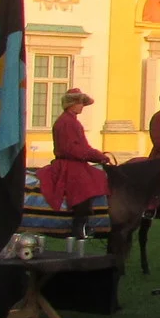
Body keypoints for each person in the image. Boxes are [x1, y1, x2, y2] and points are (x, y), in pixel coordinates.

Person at [37, 88, 110, 239]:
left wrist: (98, 155)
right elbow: (73, 149)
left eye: (83, 103)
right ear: (72, 104)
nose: (82, 106)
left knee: (98, 177)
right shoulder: (66, 122)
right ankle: (79, 226)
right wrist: (97, 156)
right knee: (85, 186)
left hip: (76, 162)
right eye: (80, 103)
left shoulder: (71, 121)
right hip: (69, 164)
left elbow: (82, 147)